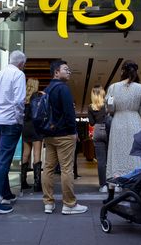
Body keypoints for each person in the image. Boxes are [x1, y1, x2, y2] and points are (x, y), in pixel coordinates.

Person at [41, 60, 88, 215]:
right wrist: (74, 132)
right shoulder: (63, 88)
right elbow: (69, 113)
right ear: (56, 72)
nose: (69, 72)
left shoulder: (47, 89)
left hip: (49, 135)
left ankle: (48, 203)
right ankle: (69, 204)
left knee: (48, 168)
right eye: (66, 69)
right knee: (66, 169)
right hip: (64, 135)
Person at [0, 50, 27, 215]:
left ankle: (6, 194)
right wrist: (19, 119)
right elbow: (19, 101)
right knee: (4, 161)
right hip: (10, 122)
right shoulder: (18, 75)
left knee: (0, 159)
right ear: (21, 64)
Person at [106, 60, 141, 179]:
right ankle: (136, 179)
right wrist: (135, 116)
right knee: (135, 152)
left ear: (122, 71)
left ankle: (116, 179)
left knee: (117, 152)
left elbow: (110, 108)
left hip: (118, 121)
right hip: (135, 121)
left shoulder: (113, 87)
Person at [21, 78, 43, 192]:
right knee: (37, 154)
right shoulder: (37, 97)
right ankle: (37, 183)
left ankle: (23, 182)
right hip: (35, 128)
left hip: (25, 127)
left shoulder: (23, 97)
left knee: (25, 154)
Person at [88, 85, 108, 192]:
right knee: (110, 159)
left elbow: (91, 122)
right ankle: (113, 183)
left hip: (97, 131)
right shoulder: (107, 104)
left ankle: (103, 186)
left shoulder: (90, 107)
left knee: (101, 161)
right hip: (108, 130)